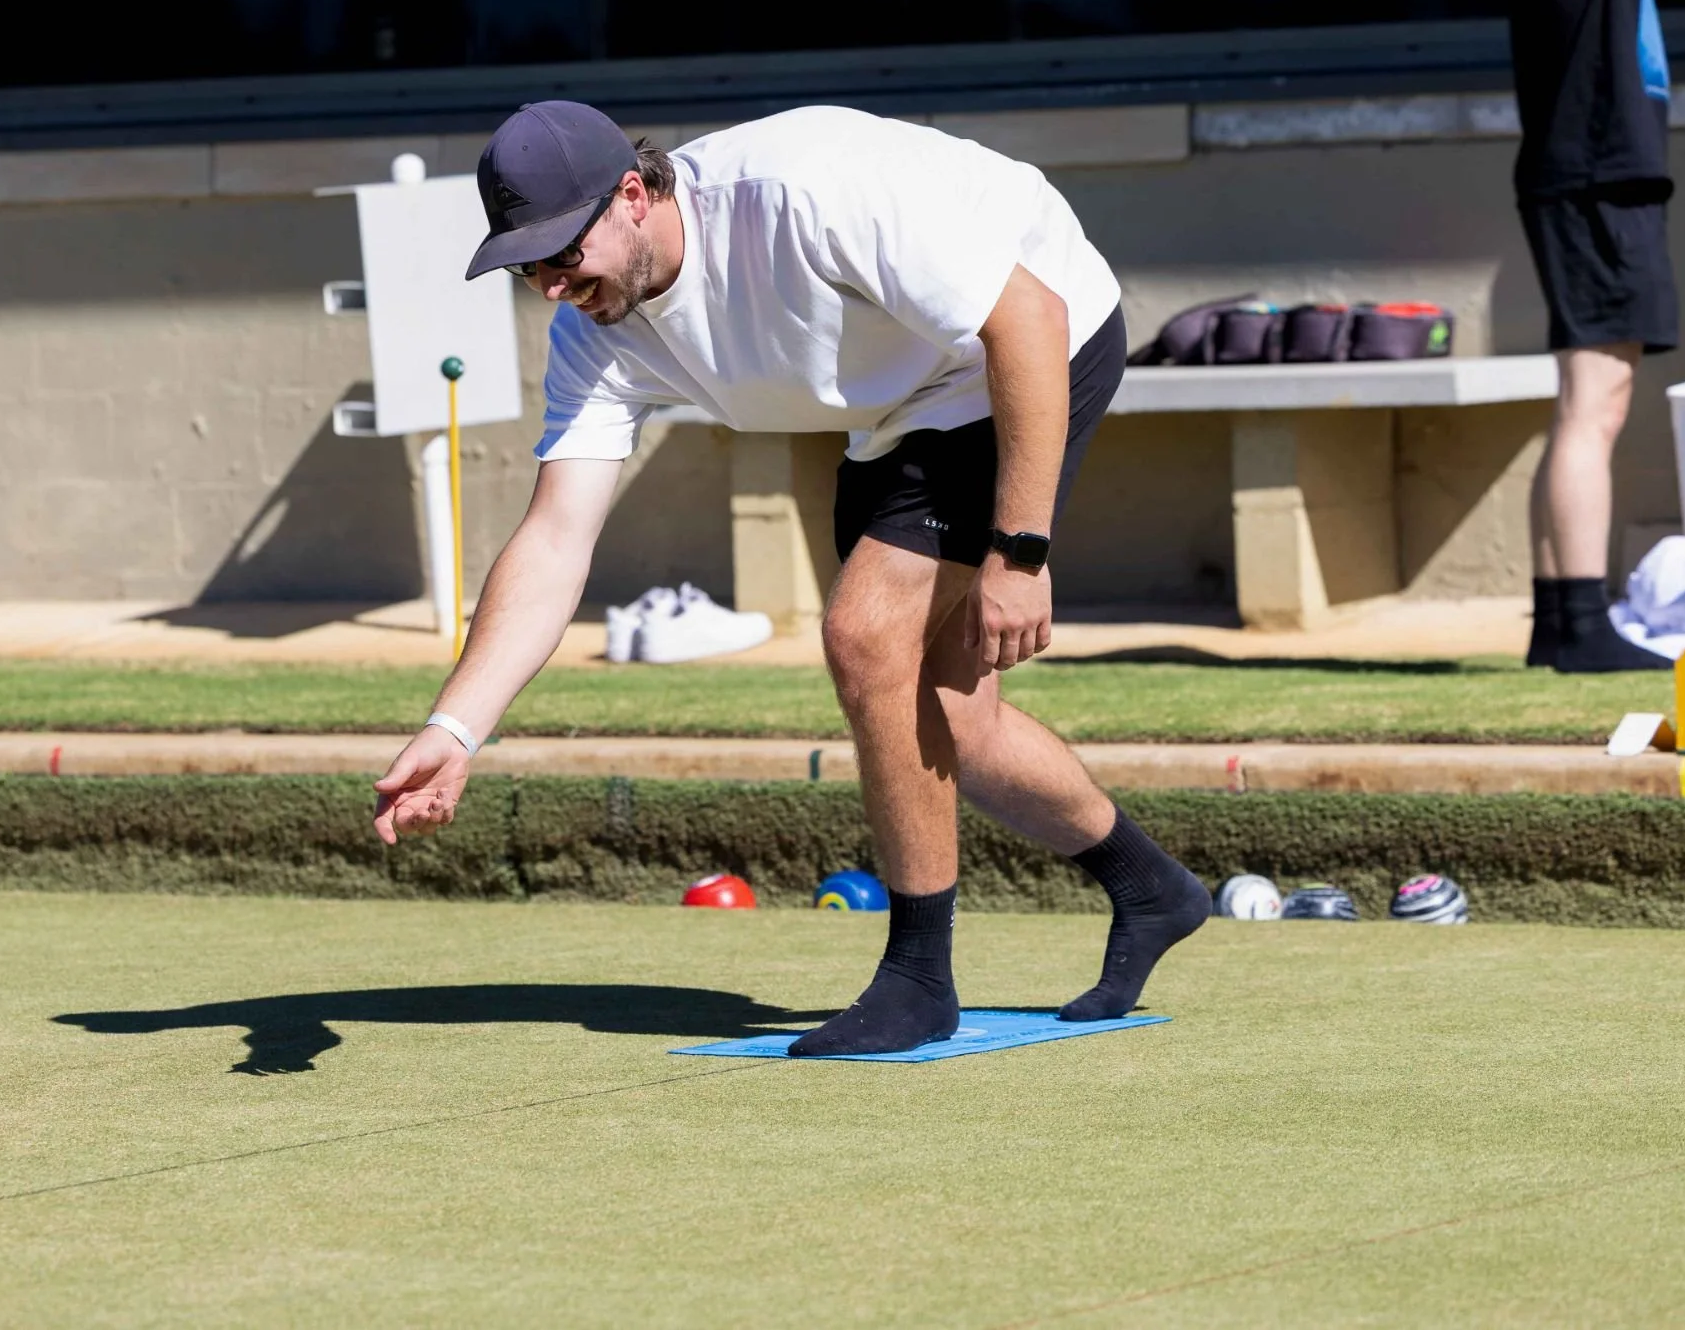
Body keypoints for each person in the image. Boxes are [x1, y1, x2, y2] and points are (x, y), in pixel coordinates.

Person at [370, 100, 1209, 1057]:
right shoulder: (596, 335)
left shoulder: (803, 192)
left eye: (565, 252)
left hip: (1025, 346)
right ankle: (1153, 890)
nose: (554, 286)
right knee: (947, 711)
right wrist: (455, 728)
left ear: (634, 196)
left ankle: (918, 978)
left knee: (864, 636)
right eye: (527, 266)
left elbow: (1029, 316)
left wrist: (1021, 552)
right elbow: (556, 539)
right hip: (897, 406)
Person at [1487, 0, 1685, 671]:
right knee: (1597, 400)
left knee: (1586, 399)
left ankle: (1560, 622)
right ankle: (1580, 626)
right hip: (1591, 173)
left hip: (1593, 170)